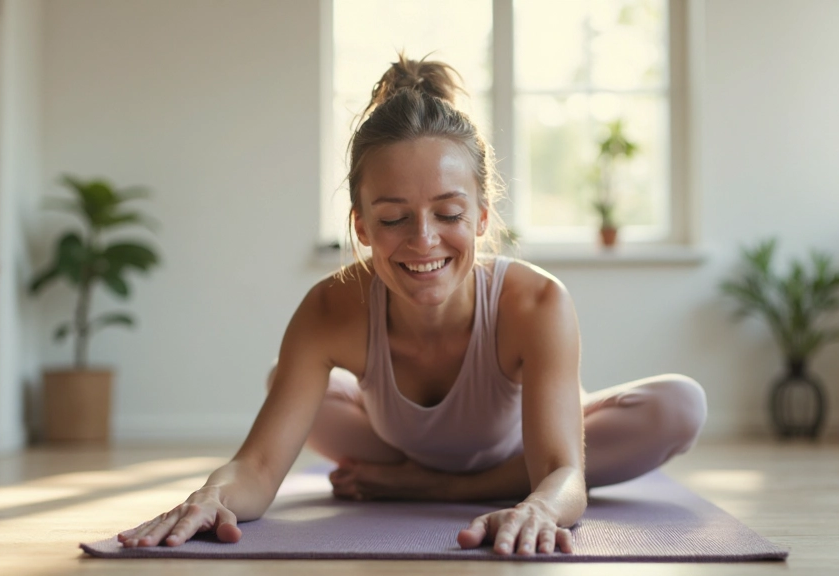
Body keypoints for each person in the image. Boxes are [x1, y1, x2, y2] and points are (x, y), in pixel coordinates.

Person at [117, 54, 707, 556]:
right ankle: (429, 477)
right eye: (395, 218)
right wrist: (211, 496)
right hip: (390, 441)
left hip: (521, 449)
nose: (424, 240)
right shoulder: (330, 308)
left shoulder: (537, 301)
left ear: (480, 216)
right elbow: (260, 468)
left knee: (680, 403)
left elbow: (562, 475)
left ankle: (428, 485)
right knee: (288, 383)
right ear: (362, 225)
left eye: (448, 215)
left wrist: (536, 508)